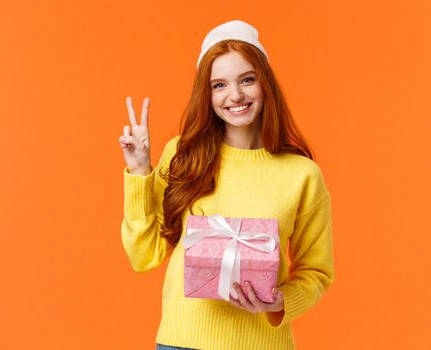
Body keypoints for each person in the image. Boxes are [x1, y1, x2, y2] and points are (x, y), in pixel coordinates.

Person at [118, 20, 335, 350]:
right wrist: (139, 171)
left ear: (265, 83)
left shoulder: (301, 175)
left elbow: (316, 272)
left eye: (247, 80)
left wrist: (279, 301)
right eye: (219, 85)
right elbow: (143, 255)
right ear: (207, 94)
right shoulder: (181, 155)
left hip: (264, 344)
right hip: (182, 342)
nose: (235, 95)